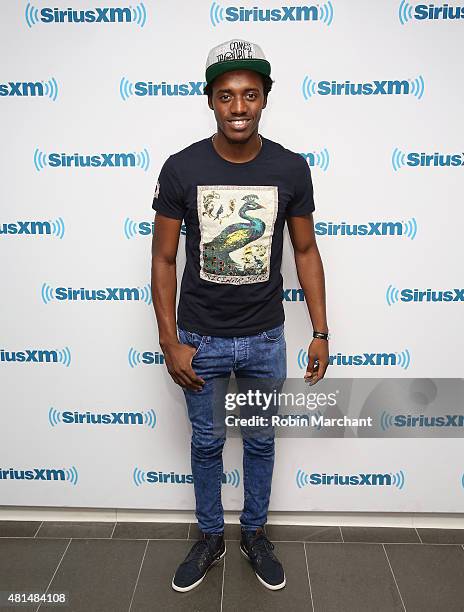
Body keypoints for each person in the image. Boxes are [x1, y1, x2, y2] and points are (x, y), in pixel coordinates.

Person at [151, 39, 329, 592]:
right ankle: (209, 536)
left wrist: (320, 330)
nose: (238, 107)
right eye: (226, 95)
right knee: (206, 443)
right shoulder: (183, 168)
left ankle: (254, 532)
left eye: (250, 94)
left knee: (258, 442)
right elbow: (162, 257)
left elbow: (305, 252)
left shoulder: (290, 168)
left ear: (265, 99)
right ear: (210, 100)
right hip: (199, 338)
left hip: (264, 339)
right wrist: (169, 341)